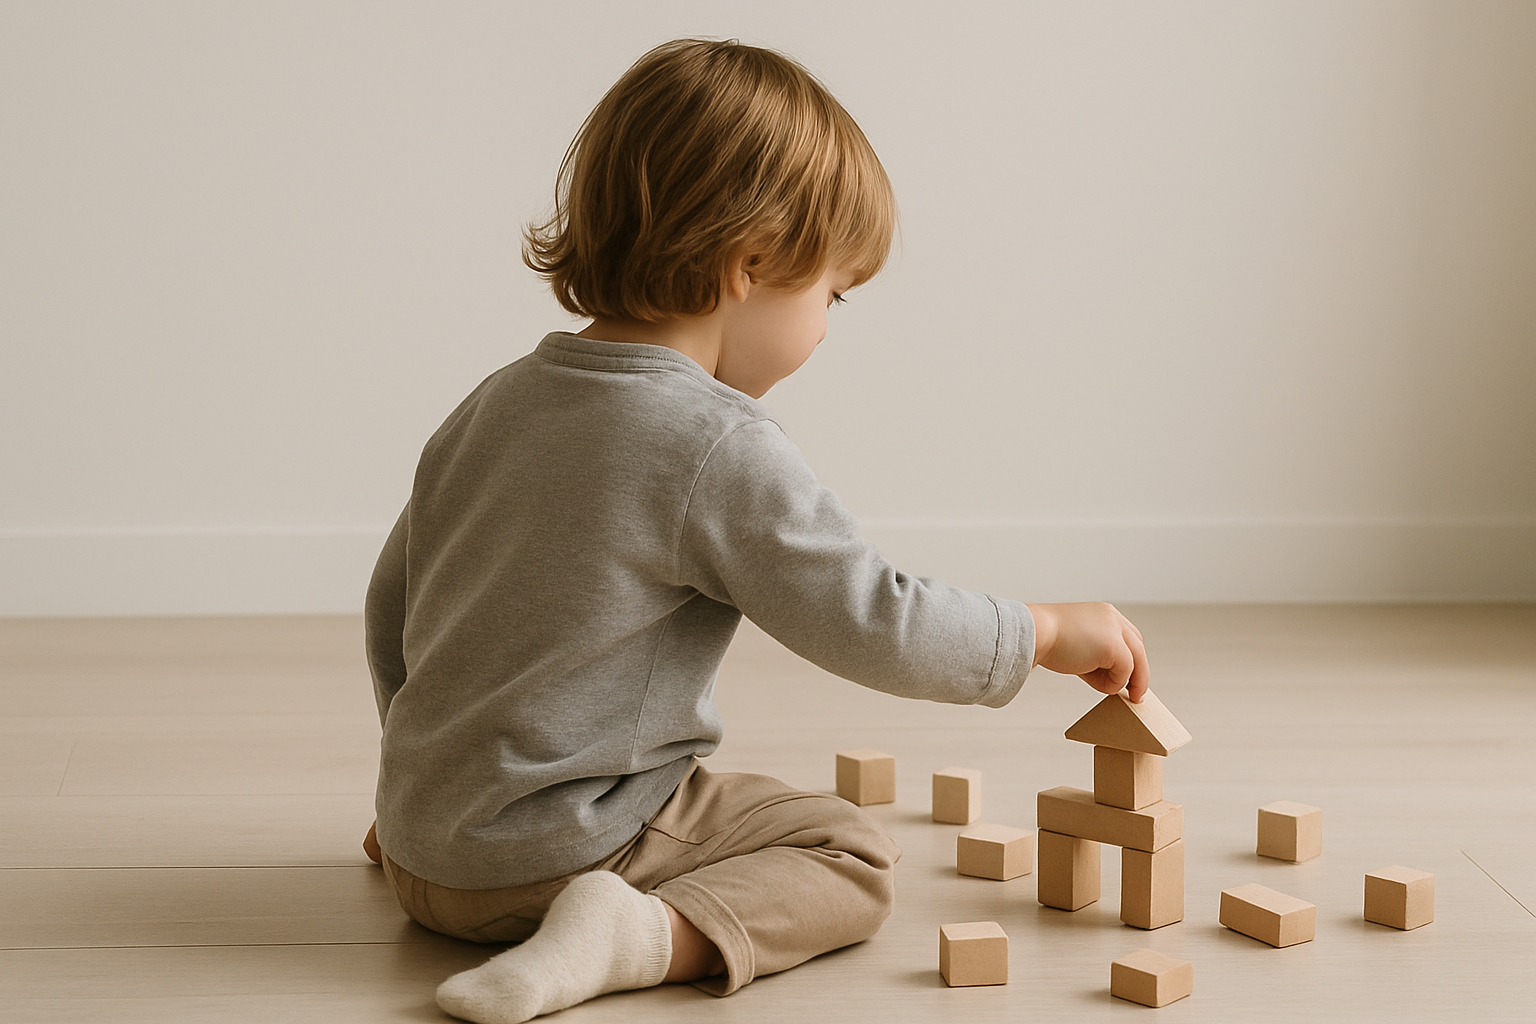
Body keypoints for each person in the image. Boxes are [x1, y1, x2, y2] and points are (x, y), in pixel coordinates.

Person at [361, 37, 1150, 1024]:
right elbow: (873, 620)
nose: (826, 325)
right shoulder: (713, 444)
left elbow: (396, 601)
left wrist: (419, 790)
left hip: (421, 855)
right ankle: (635, 934)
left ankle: (495, 870)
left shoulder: (497, 403)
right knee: (848, 852)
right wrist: (1038, 632)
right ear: (753, 264)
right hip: (565, 856)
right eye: (832, 294)